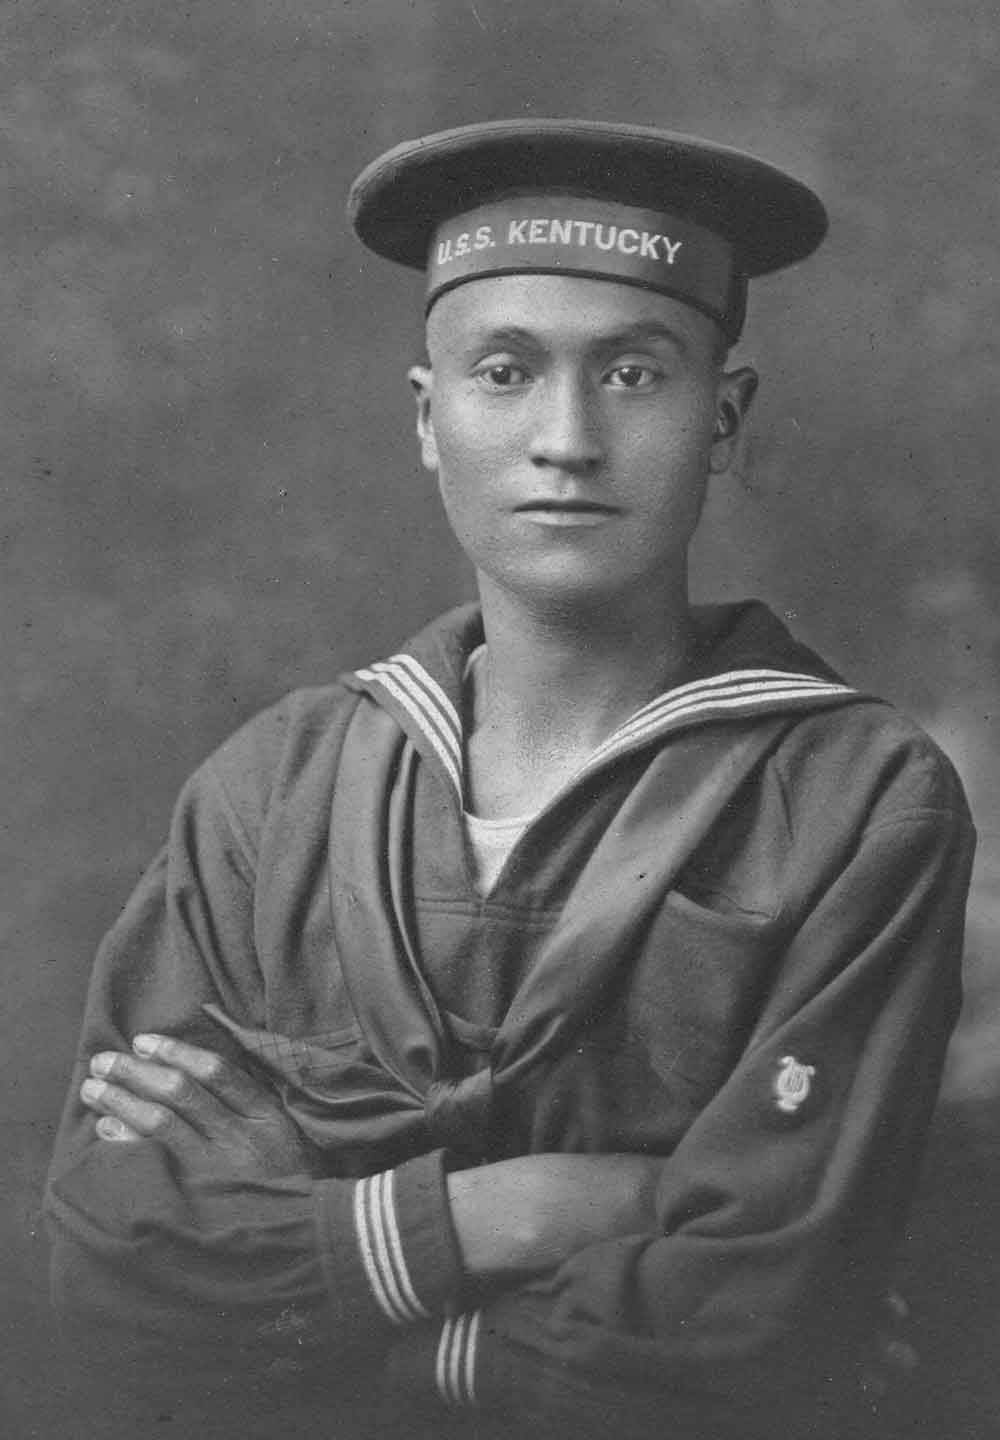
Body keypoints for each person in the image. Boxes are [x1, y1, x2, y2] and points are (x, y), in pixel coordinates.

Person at [45, 120, 975, 1440]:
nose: (568, 439)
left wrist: (327, 1288)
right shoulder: (271, 795)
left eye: (635, 374)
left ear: (723, 417)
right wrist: (528, 1208)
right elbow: (116, 1284)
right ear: (430, 420)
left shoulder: (857, 798)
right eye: (503, 371)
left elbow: (751, 1328)